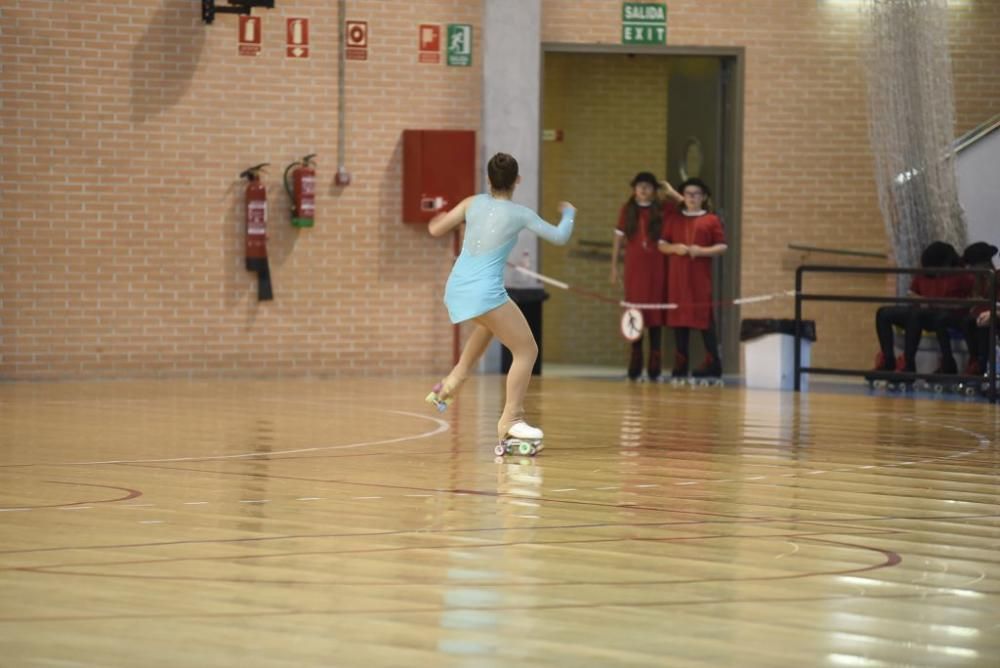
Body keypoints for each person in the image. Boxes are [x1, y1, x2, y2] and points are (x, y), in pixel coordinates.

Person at [424, 152, 575, 453]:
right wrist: (569, 212)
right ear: (517, 180)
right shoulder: (520, 213)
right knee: (526, 349)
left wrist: (440, 218)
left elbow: (435, 230)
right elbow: (559, 237)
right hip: (485, 293)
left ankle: (454, 379)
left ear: (488, 179)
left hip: (456, 288)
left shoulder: (471, 202)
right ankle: (510, 420)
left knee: (487, 326)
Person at [609, 172, 682, 381]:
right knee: (635, 311)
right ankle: (636, 358)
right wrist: (614, 267)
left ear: (654, 190)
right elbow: (618, 239)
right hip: (634, 268)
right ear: (634, 189)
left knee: (656, 311)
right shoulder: (627, 209)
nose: (643, 190)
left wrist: (671, 192)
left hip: (657, 267)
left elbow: (686, 207)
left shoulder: (663, 208)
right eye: (639, 186)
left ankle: (655, 361)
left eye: (648, 187)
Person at [657, 178, 727, 379]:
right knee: (679, 321)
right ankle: (681, 364)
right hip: (678, 278)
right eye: (688, 194)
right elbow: (662, 244)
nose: (691, 198)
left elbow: (722, 247)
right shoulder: (674, 219)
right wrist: (674, 248)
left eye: (696, 194)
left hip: (699, 279)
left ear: (703, 197)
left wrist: (702, 250)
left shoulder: (711, 220)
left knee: (704, 319)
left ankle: (713, 363)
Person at [870, 241, 972, 377]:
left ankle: (908, 363)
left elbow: (967, 303)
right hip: (922, 310)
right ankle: (888, 360)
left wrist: (931, 303)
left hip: (943, 316)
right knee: (883, 313)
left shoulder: (962, 276)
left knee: (916, 315)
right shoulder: (924, 274)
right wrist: (919, 299)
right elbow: (911, 293)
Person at [960, 241, 999, 376]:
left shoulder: (996, 276)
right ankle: (975, 359)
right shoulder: (976, 280)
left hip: (993, 313)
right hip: (981, 313)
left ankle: (983, 365)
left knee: (983, 324)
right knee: (968, 321)